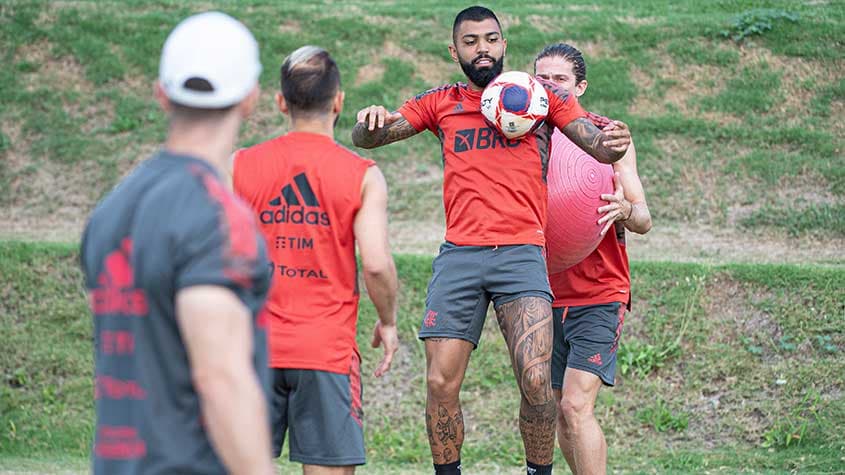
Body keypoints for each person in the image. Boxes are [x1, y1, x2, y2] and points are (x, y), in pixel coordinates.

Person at [351, 6, 630, 475]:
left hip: (521, 255)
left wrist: (614, 143)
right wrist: (369, 121)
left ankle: (537, 472)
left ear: (504, 44)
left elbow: (595, 144)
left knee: (538, 379)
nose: (482, 49)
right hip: (460, 256)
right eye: (470, 41)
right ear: (454, 49)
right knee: (440, 381)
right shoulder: (441, 101)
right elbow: (368, 138)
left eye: (491, 39)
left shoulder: (539, 99)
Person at [80, 12, 274, 475]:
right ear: (251, 98)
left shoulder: (112, 209)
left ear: (161, 94)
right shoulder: (216, 215)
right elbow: (219, 376)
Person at [232, 45, 399, 474]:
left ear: (281, 102)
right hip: (325, 351)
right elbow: (376, 264)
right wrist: (389, 320)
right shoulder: (362, 174)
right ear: (339, 100)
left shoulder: (239, 166)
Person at [535, 43, 653, 475]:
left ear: (580, 86)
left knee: (575, 405)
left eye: (559, 80)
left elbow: (644, 218)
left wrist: (625, 210)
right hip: (541, 295)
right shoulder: (522, 135)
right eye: (541, 78)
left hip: (599, 292)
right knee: (556, 411)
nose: (548, 86)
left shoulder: (607, 135)